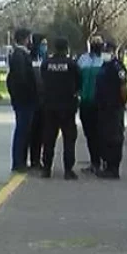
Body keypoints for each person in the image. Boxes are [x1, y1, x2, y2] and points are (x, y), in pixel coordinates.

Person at [40, 37, 81, 180]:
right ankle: (68, 170)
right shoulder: (72, 64)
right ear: (66, 48)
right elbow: (78, 84)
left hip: (50, 106)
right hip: (68, 107)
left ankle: (46, 169)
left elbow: (43, 81)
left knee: (49, 138)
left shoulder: (46, 64)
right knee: (69, 139)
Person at [95, 42, 127, 179]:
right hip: (103, 108)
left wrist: (121, 104)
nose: (105, 52)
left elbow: (123, 88)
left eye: (107, 50)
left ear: (113, 51)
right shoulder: (104, 66)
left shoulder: (117, 67)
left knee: (114, 137)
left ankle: (113, 168)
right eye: (104, 50)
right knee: (104, 137)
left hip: (114, 108)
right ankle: (107, 165)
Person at [6, 28, 38, 173]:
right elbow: (20, 80)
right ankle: (19, 163)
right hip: (24, 101)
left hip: (23, 101)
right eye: (29, 38)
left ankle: (21, 161)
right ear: (25, 39)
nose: (31, 42)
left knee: (24, 131)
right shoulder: (20, 56)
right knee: (22, 131)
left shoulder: (20, 55)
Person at [77, 35, 105, 173]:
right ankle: (94, 162)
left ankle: (103, 162)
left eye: (99, 43)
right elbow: (76, 78)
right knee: (89, 134)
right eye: (94, 43)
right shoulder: (83, 60)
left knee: (101, 133)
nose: (96, 45)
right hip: (85, 103)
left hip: (100, 103)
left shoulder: (105, 60)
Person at [28, 34, 47, 170]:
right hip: (32, 100)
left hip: (44, 101)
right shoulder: (29, 58)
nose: (45, 47)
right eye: (43, 44)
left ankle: (38, 160)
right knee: (32, 132)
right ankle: (32, 159)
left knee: (41, 133)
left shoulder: (46, 59)